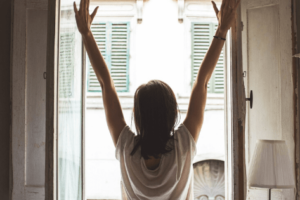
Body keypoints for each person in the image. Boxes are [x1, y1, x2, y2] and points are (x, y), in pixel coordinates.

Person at [73, 0, 240, 199]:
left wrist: (87, 34)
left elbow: (105, 84)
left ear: (138, 115)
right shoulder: (183, 145)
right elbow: (202, 82)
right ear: (172, 115)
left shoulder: (127, 148)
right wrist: (221, 31)